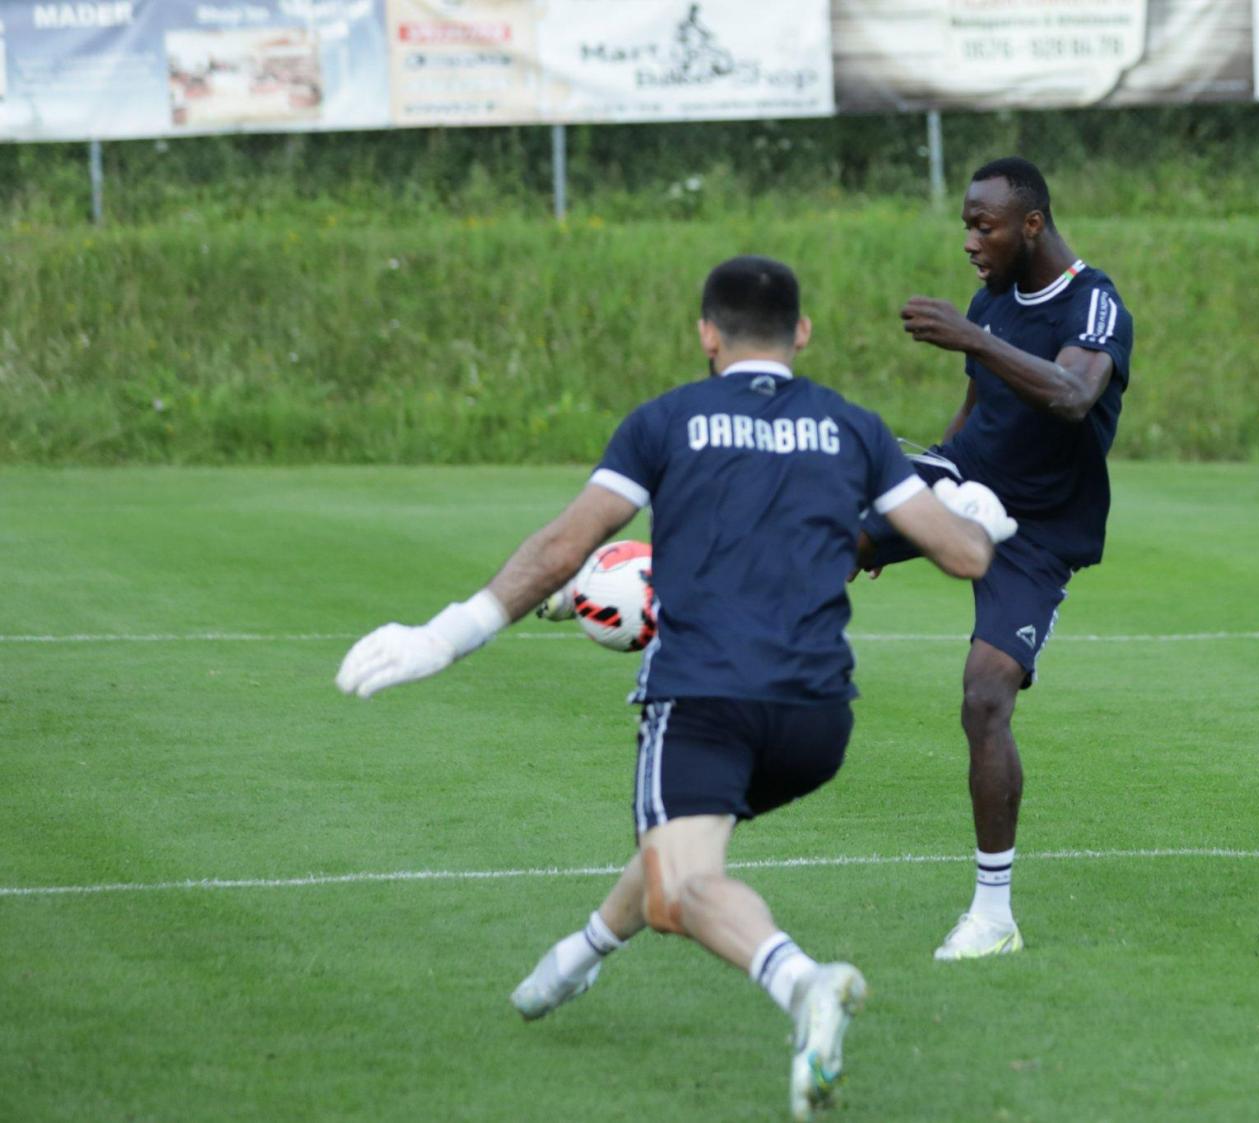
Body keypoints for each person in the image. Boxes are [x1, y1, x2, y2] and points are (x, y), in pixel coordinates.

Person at [335, 256, 1018, 1121]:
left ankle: (801, 982)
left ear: (706, 334)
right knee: (675, 849)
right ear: (801, 333)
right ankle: (577, 957)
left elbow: (564, 545)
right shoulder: (852, 427)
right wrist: (976, 523)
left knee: (683, 888)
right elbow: (961, 554)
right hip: (816, 721)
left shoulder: (667, 420)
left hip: (706, 699)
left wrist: (444, 635)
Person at [857, 157, 1133, 961]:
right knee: (831, 534)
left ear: (1032, 225)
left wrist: (974, 336)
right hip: (963, 486)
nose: (970, 242)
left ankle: (992, 916)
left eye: (984, 226)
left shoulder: (1093, 304)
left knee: (984, 697)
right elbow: (974, 416)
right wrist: (912, 514)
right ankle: (653, 603)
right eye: (966, 226)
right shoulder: (991, 299)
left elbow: (1073, 395)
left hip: (1036, 530)